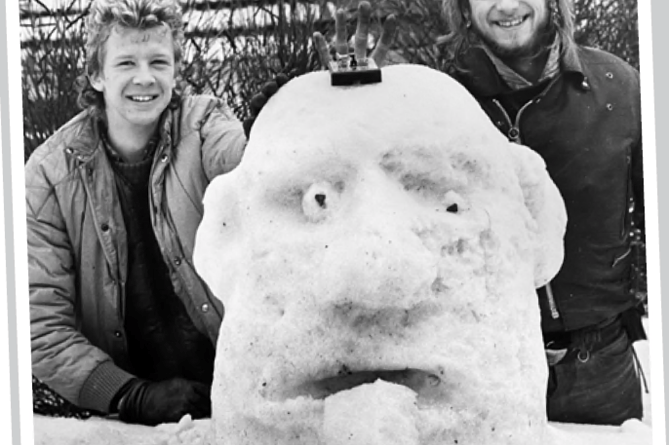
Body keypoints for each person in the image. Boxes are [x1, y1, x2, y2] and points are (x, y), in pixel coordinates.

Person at [26, 0, 394, 426]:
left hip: (240, 392)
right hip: (125, 418)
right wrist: (130, 395)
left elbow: (263, 173)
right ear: (96, 74)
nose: (144, 78)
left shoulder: (203, 125)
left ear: (175, 70)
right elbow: (40, 325)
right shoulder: (48, 176)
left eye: (158, 62)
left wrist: (323, 111)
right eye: (126, 62)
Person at [436, 0, 646, 426]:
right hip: (484, 372)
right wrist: (291, 111)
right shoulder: (439, 103)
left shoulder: (619, 87)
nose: (508, 6)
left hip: (601, 370)